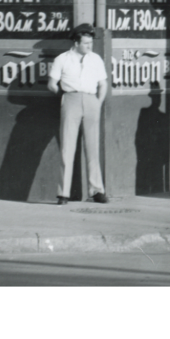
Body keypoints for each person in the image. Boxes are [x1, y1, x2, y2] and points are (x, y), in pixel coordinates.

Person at [48, 22, 108, 204]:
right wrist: (65, 97)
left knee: (93, 147)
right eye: (86, 43)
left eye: (91, 43)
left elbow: (103, 84)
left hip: (91, 100)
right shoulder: (62, 59)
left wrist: (98, 102)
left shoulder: (96, 59)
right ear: (76, 43)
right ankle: (63, 193)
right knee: (67, 147)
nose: (89, 47)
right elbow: (51, 83)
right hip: (71, 99)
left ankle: (97, 190)